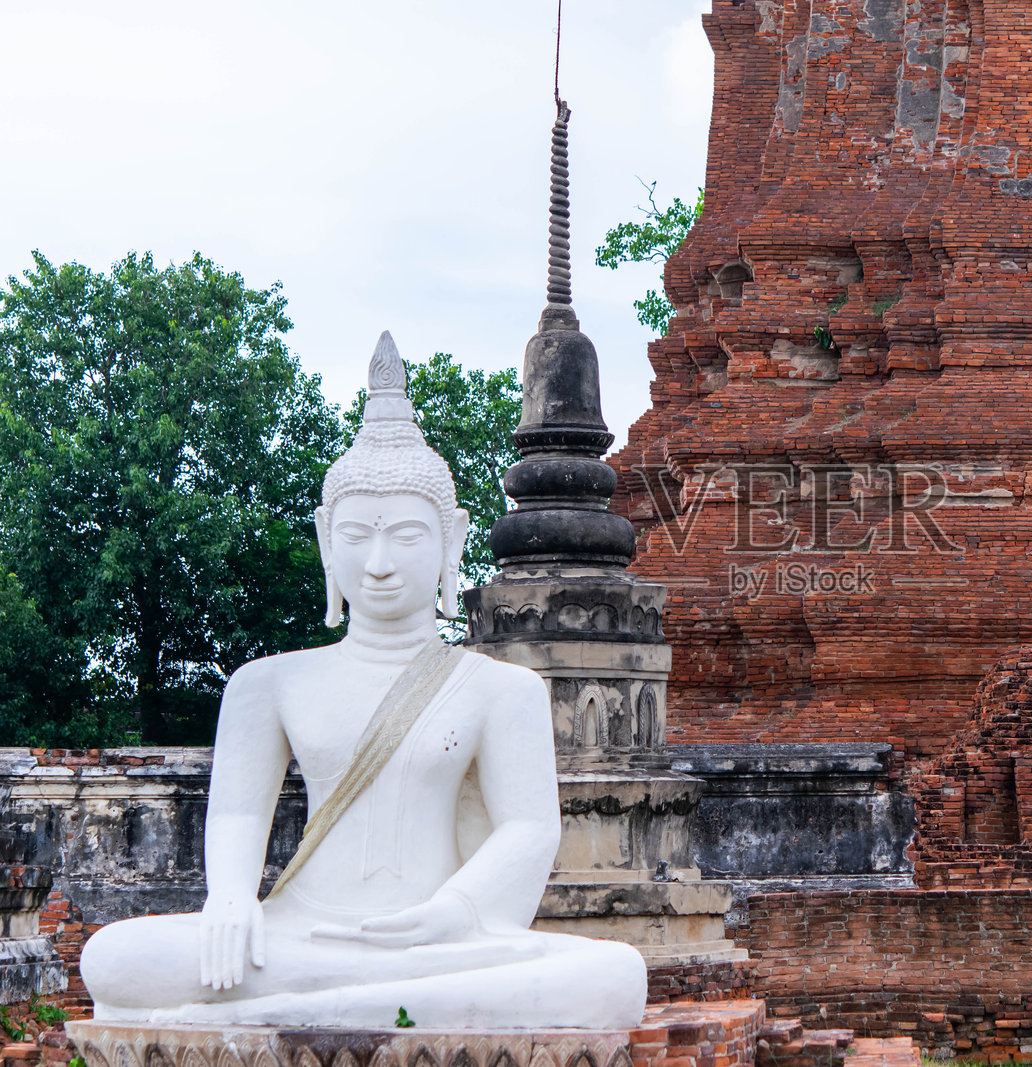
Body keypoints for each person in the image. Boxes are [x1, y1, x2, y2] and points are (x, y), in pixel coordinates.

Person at [79, 334, 647, 1030]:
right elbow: (235, 814)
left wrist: (450, 915)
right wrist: (230, 899)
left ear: (451, 540)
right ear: (326, 540)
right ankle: (372, 1004)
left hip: (439, 939)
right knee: (114, 957)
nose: (378, 563)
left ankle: (326, 1007)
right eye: (356, 536)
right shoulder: (268, 684)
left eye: (406, 536)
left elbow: (528, 832)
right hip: (294, 936)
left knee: (613, 974)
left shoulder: (502, 690)